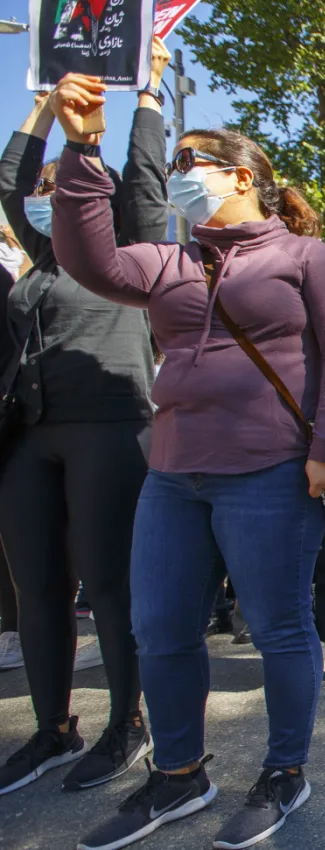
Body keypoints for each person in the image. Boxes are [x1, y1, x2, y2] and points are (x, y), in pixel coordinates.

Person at [48, 74, 325, 848]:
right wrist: (83, 148)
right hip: (173, 475)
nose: (177, 174)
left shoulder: (306, 257)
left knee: (278, 627)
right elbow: (90, 260)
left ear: (242, 177)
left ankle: (285, 771)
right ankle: (180, 775)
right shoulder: (170, 262)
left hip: (270, 471)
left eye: (192, 162)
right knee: (160, 629)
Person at [0, 47, 172, 799]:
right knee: (37, 586)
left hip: (112, 426)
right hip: (33, 435)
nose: (56, 201)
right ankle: (53, 728)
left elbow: (147, 178)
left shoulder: (135, 250)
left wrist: (149, 94)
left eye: (72, 191)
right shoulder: (41, 254)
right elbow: (10, 183)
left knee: (109, 586)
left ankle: (124, 726)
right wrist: (43, 101)